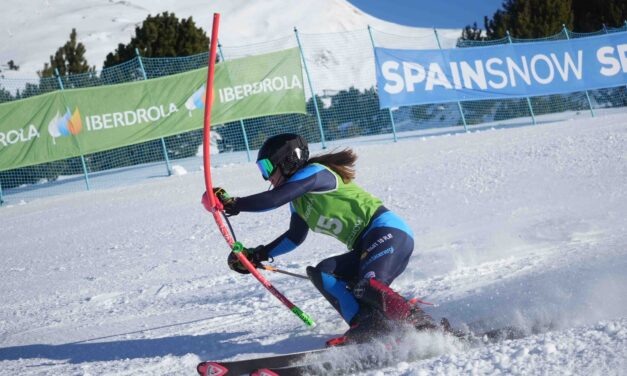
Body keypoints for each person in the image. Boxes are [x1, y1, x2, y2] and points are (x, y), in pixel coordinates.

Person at [202, 133, 436, 344]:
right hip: (365, 245)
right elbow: (294, 237)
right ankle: (368, 325)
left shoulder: (315, 174)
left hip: (388, 233)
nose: (267, 177)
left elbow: (273, 199)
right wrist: (257, 255)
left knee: (367, 285)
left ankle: (421, 323)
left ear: (287, 160)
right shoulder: (299, 202)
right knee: (322, 273)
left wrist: (235, 203)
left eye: (266, 168)